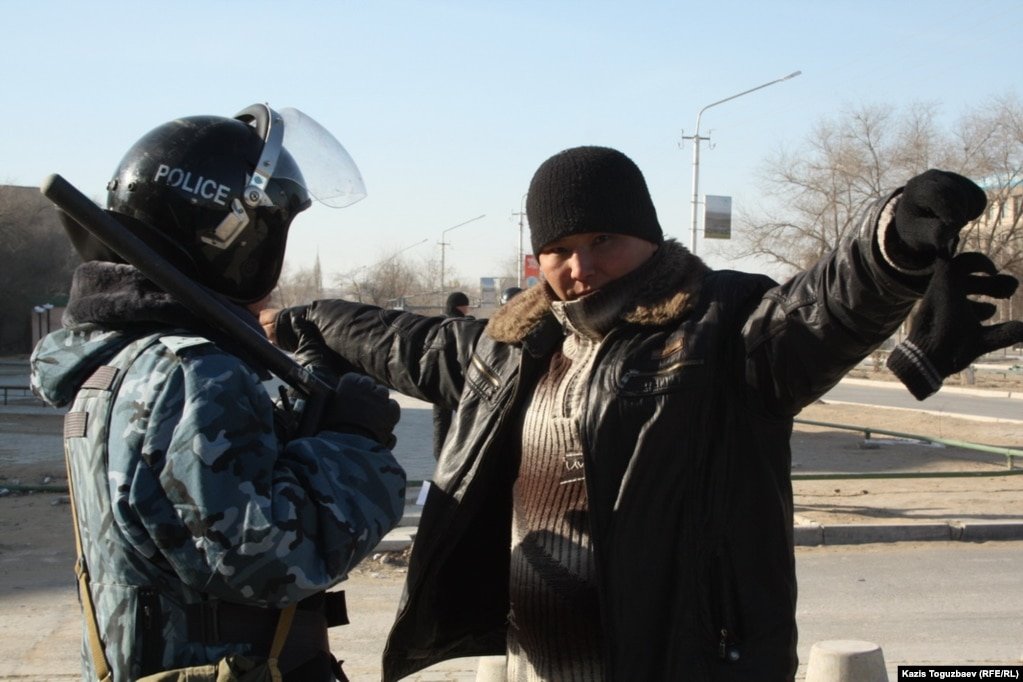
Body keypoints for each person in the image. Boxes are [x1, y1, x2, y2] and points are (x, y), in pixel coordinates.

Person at [261, 146, 1019, 680]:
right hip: (542, 663)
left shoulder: (726, 328)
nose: (578, 265)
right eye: (556, 247)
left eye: (602, 240)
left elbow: (823, 308)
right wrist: (310, 319)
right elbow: (407, 341)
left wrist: (891, 243)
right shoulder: (508, 346)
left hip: (694, 660)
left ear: (646, 237)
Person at [30, 105, 407, 682]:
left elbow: (194, 501)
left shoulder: (118, 359)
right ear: (230, 233)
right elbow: (272, 558)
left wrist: (307, 401)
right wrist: (354, 443)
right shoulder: (193, 373)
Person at [431, 291, 472, 459]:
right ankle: (458, 457)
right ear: (460, 306)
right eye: (466, 306)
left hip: (438, 381)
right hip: (459, 382)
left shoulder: (437, 324)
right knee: (463, 421)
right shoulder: (465, 325)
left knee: (440, 421)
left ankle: (440, 458)